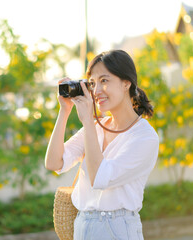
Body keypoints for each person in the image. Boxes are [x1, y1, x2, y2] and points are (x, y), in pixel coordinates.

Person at [45, 49, 159, 240]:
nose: (96, 91)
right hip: (82, 226)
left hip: (117, 228)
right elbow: (54, 163)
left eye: (104, 81)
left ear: (126, 83)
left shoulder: (144, 137)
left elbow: (100, 178)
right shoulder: (97, 127)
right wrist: (64, 111)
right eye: (92, 83)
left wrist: (88, 121)